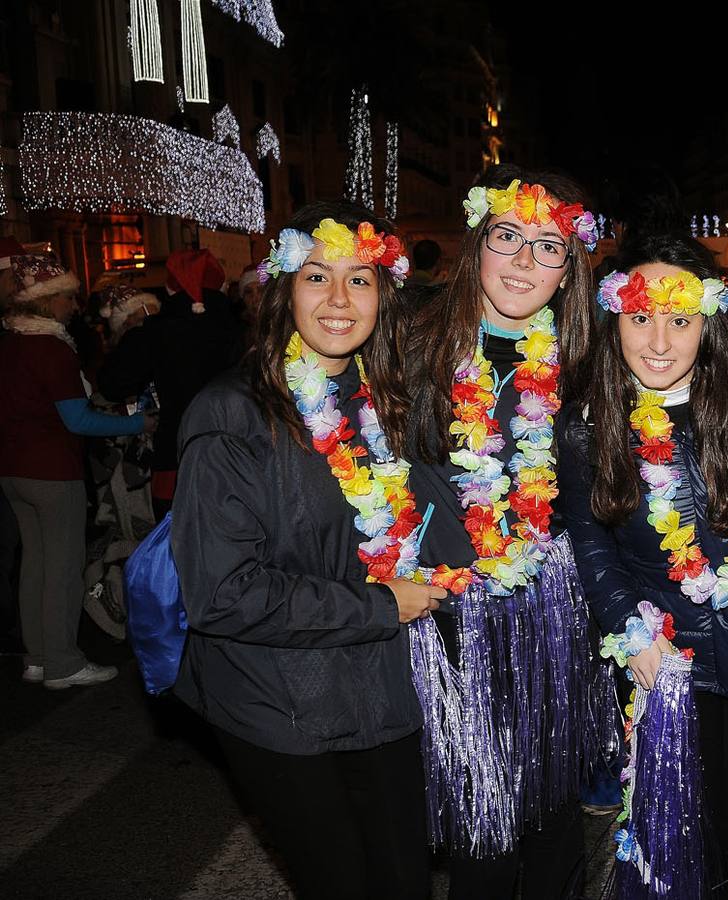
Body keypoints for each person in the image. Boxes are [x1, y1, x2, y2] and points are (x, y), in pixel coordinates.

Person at [171, 201, 442, 900]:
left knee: (404, 880)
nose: (339, 300)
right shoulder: (232, 412)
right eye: (318, 276)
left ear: (384, 295)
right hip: (280, 702)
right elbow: (222, 592)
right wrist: (383, 606)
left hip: (378, 688)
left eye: (360, 280)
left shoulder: (383, 401)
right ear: (284, 287)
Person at [558, 232, 728, 898]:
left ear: (709, 322)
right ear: (616, 320)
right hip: (670, 665)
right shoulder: (588, 422)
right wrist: (627, 631)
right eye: (641, 318)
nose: (660, 341)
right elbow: (589, 540)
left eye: (681, 318)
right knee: (691, 850)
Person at [402, 165, 611, 899]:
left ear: (569, 269)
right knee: (482, 831)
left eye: (548, 246)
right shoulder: (410, 342)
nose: (525, 261)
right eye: (508, 237)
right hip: (446, 613)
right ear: (476, 244)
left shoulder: (589, 364)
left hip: (551, 611)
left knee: (554, 814)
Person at [0, 255, 151, 688]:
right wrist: (137, 423)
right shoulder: (51, 348)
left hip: (12, 470)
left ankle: (38, 656)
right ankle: (63, 663)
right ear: (47, 302)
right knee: (62, 567)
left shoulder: (9, 343)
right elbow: (79, 420)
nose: (74, 306)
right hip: (51, 471)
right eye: (67, 297)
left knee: (35, 564)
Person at [99, 249, 243, 519]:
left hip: (176, 457)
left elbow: (112, 384)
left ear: (171, 288)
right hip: (236, 460)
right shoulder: (241, 331)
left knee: (174, 546)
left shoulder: (156, 333)